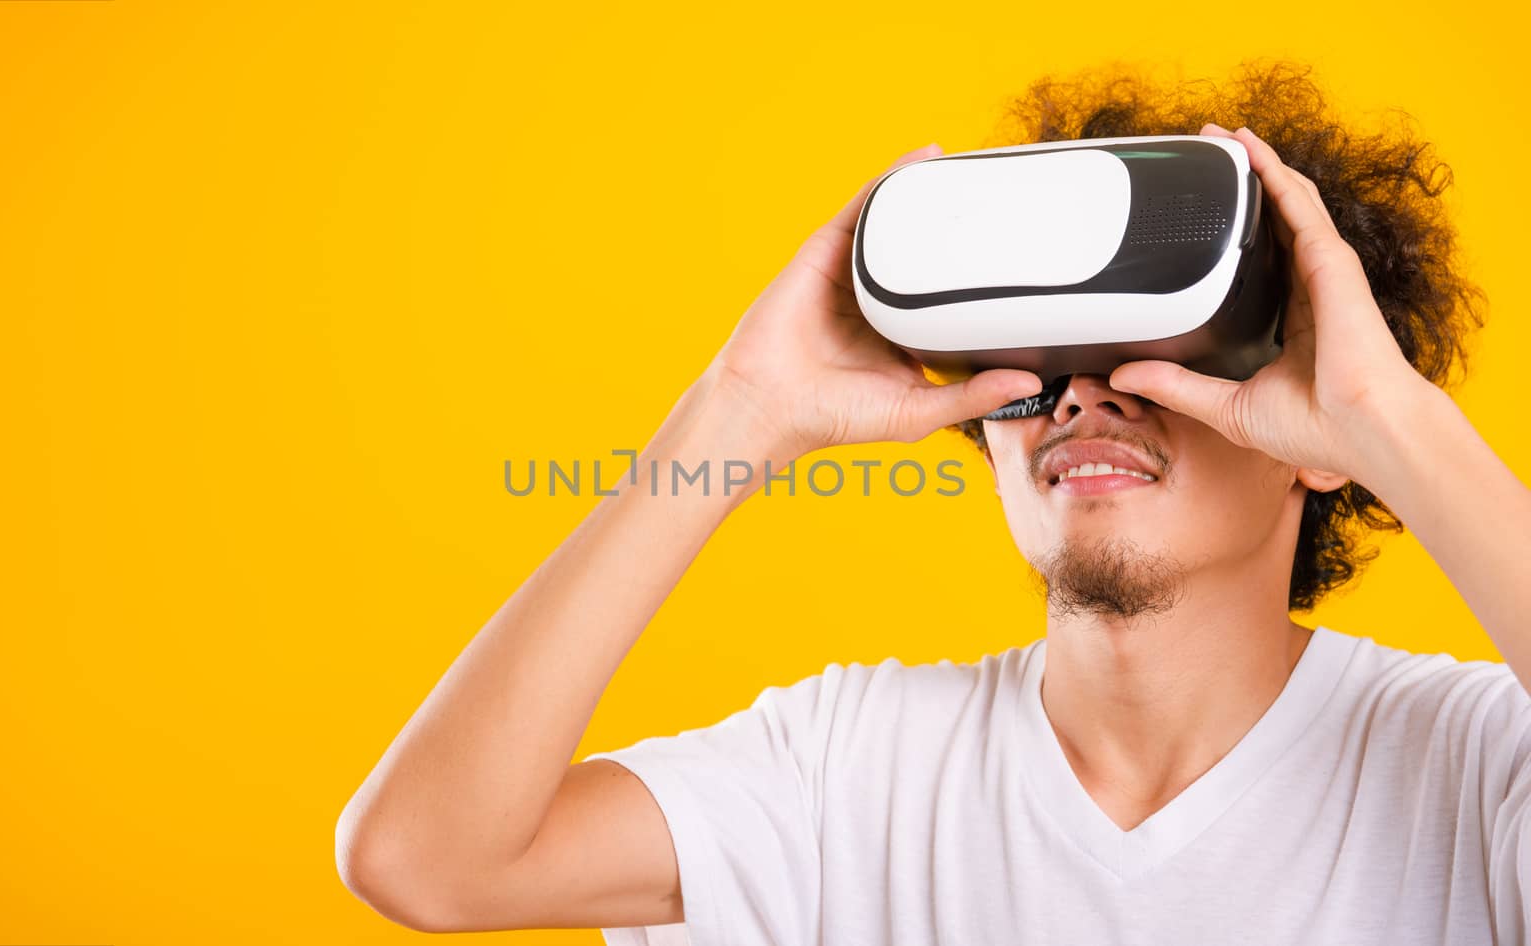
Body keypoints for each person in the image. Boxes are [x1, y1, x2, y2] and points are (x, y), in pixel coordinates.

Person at [333, 62, 1531, 944]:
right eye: (1035, 367)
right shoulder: (848, 770)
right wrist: (740, 408)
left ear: (1312, 429)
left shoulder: (1474, 766)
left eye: (1148, 357)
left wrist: (1396, 422)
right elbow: (426, 861)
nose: (1081, 401)